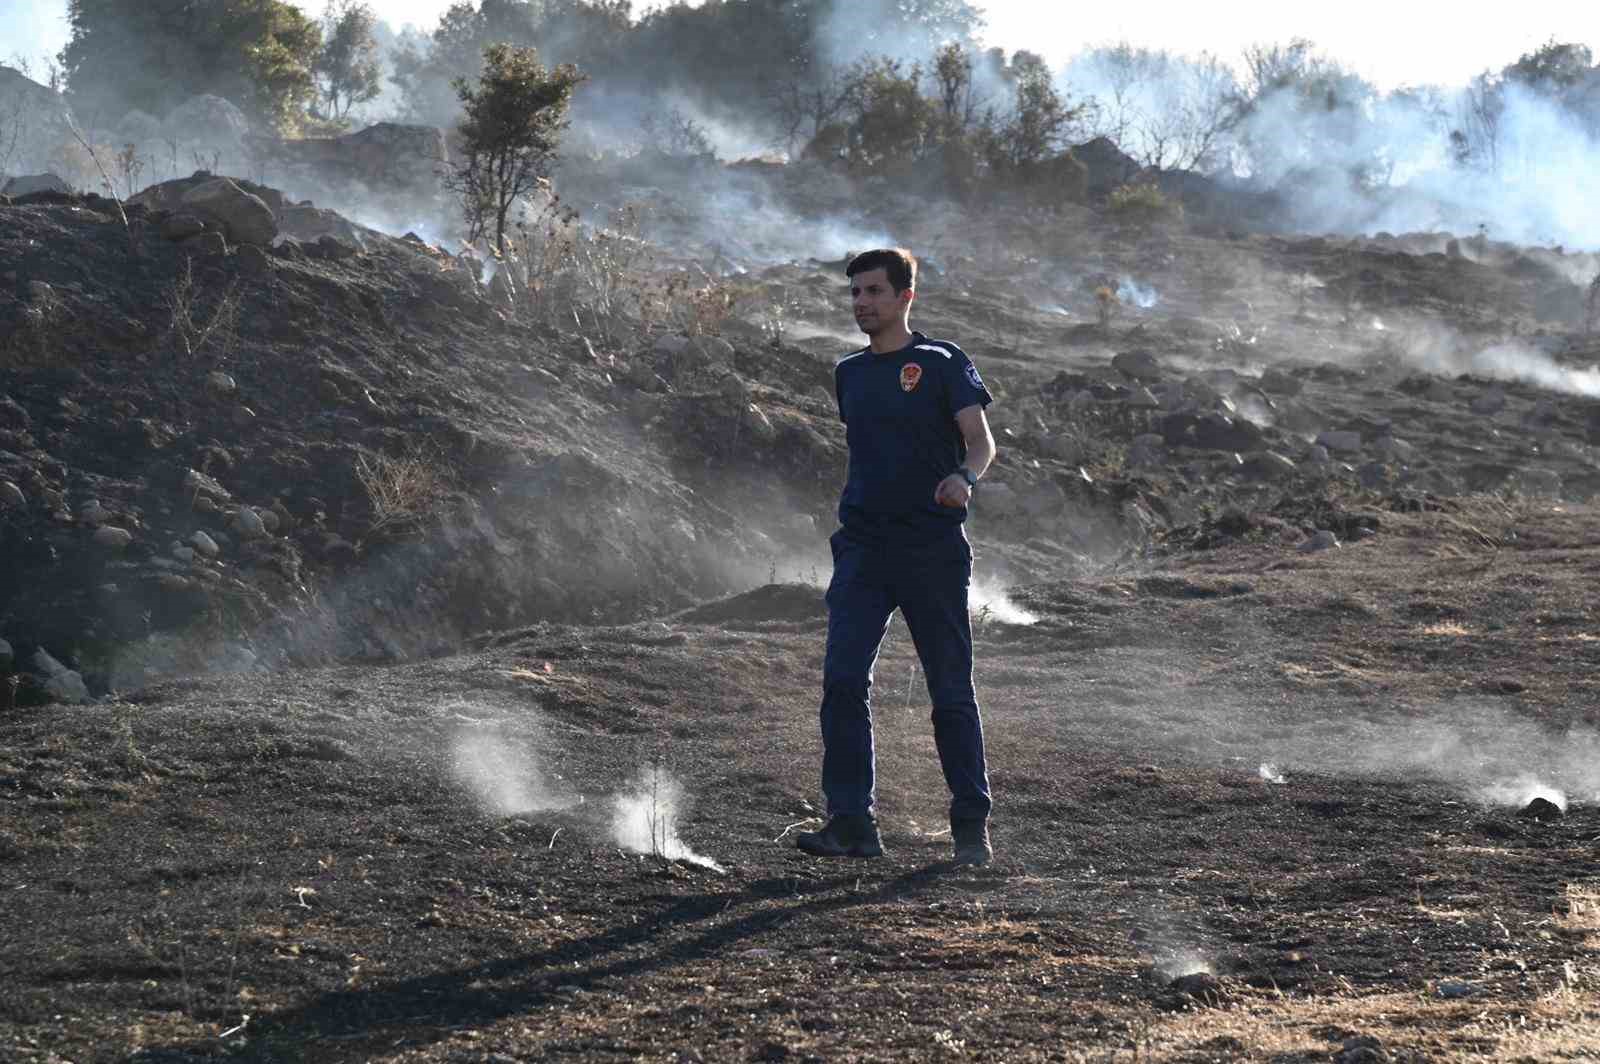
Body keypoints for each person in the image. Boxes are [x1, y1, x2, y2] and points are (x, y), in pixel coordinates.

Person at [795, 248, 998, 866]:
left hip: (931, 548)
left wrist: (963, 476)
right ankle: (852, 821)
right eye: (856, 293)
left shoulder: (941, 362)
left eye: (875, 292)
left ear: (905, 296)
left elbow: (981, 442)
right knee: (843, 680)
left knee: (949, 688)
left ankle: (970, 828)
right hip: (863, 549)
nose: (863, 303)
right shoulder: (848, 373)